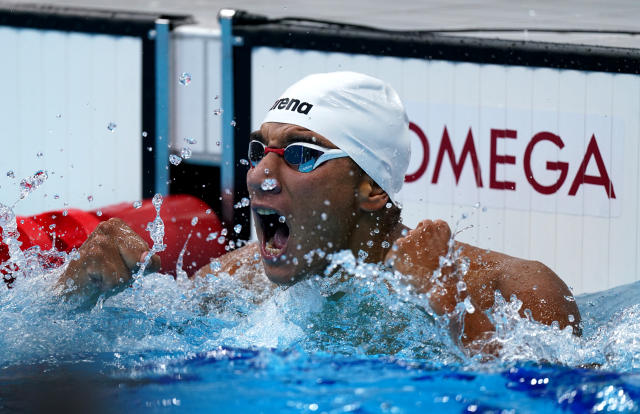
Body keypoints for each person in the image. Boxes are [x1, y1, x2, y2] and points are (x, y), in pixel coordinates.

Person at [59, 72, 581, 351]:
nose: (261, 174)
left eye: (303, 154)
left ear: (373, 189)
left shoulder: (522, 290)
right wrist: (85, 295)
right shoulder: (237, 277)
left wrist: (448, 312)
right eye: (258, 150)